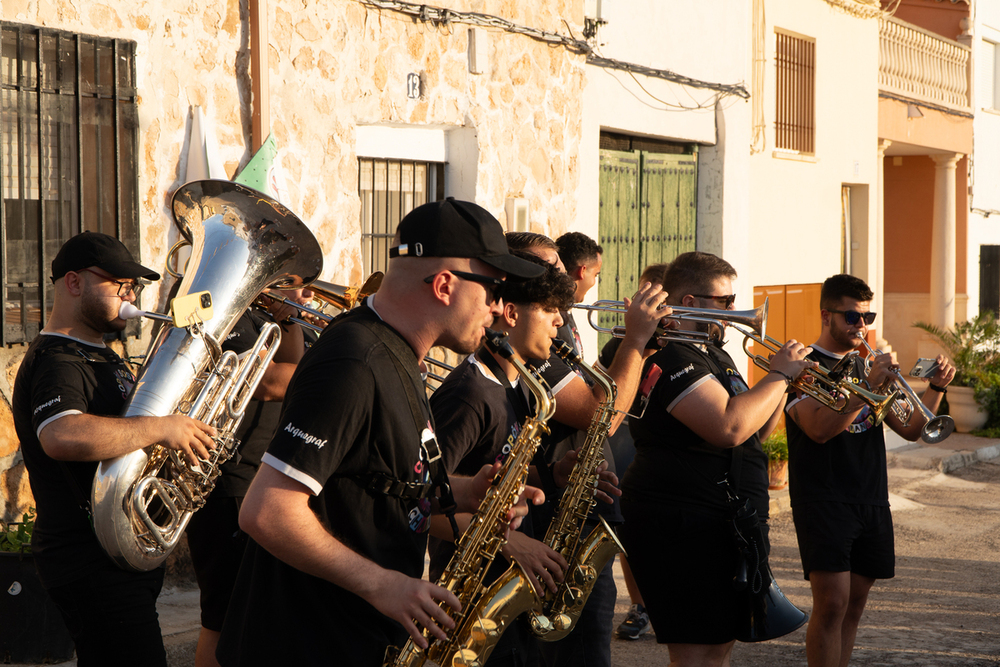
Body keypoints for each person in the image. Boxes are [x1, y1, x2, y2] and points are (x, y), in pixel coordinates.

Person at [215, 199, 548, 666]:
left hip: (353, 640)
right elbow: (267, 510)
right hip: (305, 644)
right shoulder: (353, 362)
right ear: (445, 284)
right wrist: (383, 585)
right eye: (493, 288)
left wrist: (469, 491)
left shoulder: (399, 353)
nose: (497, 308)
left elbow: (377, 482)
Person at [11, 231, 217, 667]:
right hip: (87, 560)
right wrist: (161, 428)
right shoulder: (58, 359)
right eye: (120, 284)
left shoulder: (102, 352)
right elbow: (61, 435)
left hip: (115, 553)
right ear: (74, 283)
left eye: (135, 287)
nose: (131, 295)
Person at [617, 251, 815, 667]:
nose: (734, 311)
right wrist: (779, 375)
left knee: (718, 646)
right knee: (695, 652)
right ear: (689, 303)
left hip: (724, 521)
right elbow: (727, 426)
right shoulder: (669, 355)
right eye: (724, 302)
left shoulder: (713, 352)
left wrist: (783, 388)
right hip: (681, 523)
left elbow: (754, 432)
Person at [507, 231, 666, 667]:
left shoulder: (561, 322)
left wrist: (635, 349)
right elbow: (604, 415)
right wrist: (633, 342)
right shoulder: (531, 345)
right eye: (551, 271)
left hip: (572, 500)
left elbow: (589, 389)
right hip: (557, 519)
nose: (565, 279)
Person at [784, 274, 955, 667]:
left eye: (866, 317)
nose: (860, 326)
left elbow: (913, 429)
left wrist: (935, 389)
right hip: (824, 497)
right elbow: (819, 429)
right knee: (832, 605)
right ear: (826, 315)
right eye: (851, 317)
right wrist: (865, 383)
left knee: (854, 607)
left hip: (871, 497)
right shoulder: (802, 367)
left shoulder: (866, 364)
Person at [427, 255, 578, 666]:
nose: (559, 323)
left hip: (503, 587)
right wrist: (509, 541)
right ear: (510, 314)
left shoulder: (520, 385)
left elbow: (491, 467)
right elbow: (423, 503)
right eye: (549, 310)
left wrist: (550, 473)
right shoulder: (468, 395)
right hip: (470, 596)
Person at [185, 286, 317, 667]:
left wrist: (287, 316)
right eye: (289, 278)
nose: (299, 289)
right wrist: (341, 370)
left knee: (262, 612)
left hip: (263, 474)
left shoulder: (267, 316)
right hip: (228, 479)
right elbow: (267, 382)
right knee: (222, 616)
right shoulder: (220, 304)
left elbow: (292, 362)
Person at [594, 261, 670, 641]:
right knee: (628, 531)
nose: (641, 304)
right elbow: (598, 388)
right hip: (625, 443)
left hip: (666, 448)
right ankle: (640, 605)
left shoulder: (684, 344)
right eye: (642, 295)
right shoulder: (618, 343)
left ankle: (667, 602)